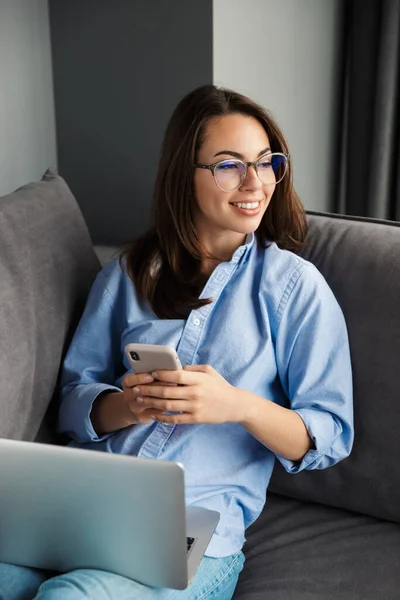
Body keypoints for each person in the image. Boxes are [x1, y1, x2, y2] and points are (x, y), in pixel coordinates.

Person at [0, 84, 354, 599]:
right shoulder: (129, 274)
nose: (254, 182)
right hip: (89, 510)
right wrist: (127, 405)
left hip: (196, 539)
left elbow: (330, 434)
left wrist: (235, 405)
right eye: (230, 164)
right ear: (184, 177)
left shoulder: (295, 289)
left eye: (266, 162)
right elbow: (73, 404)